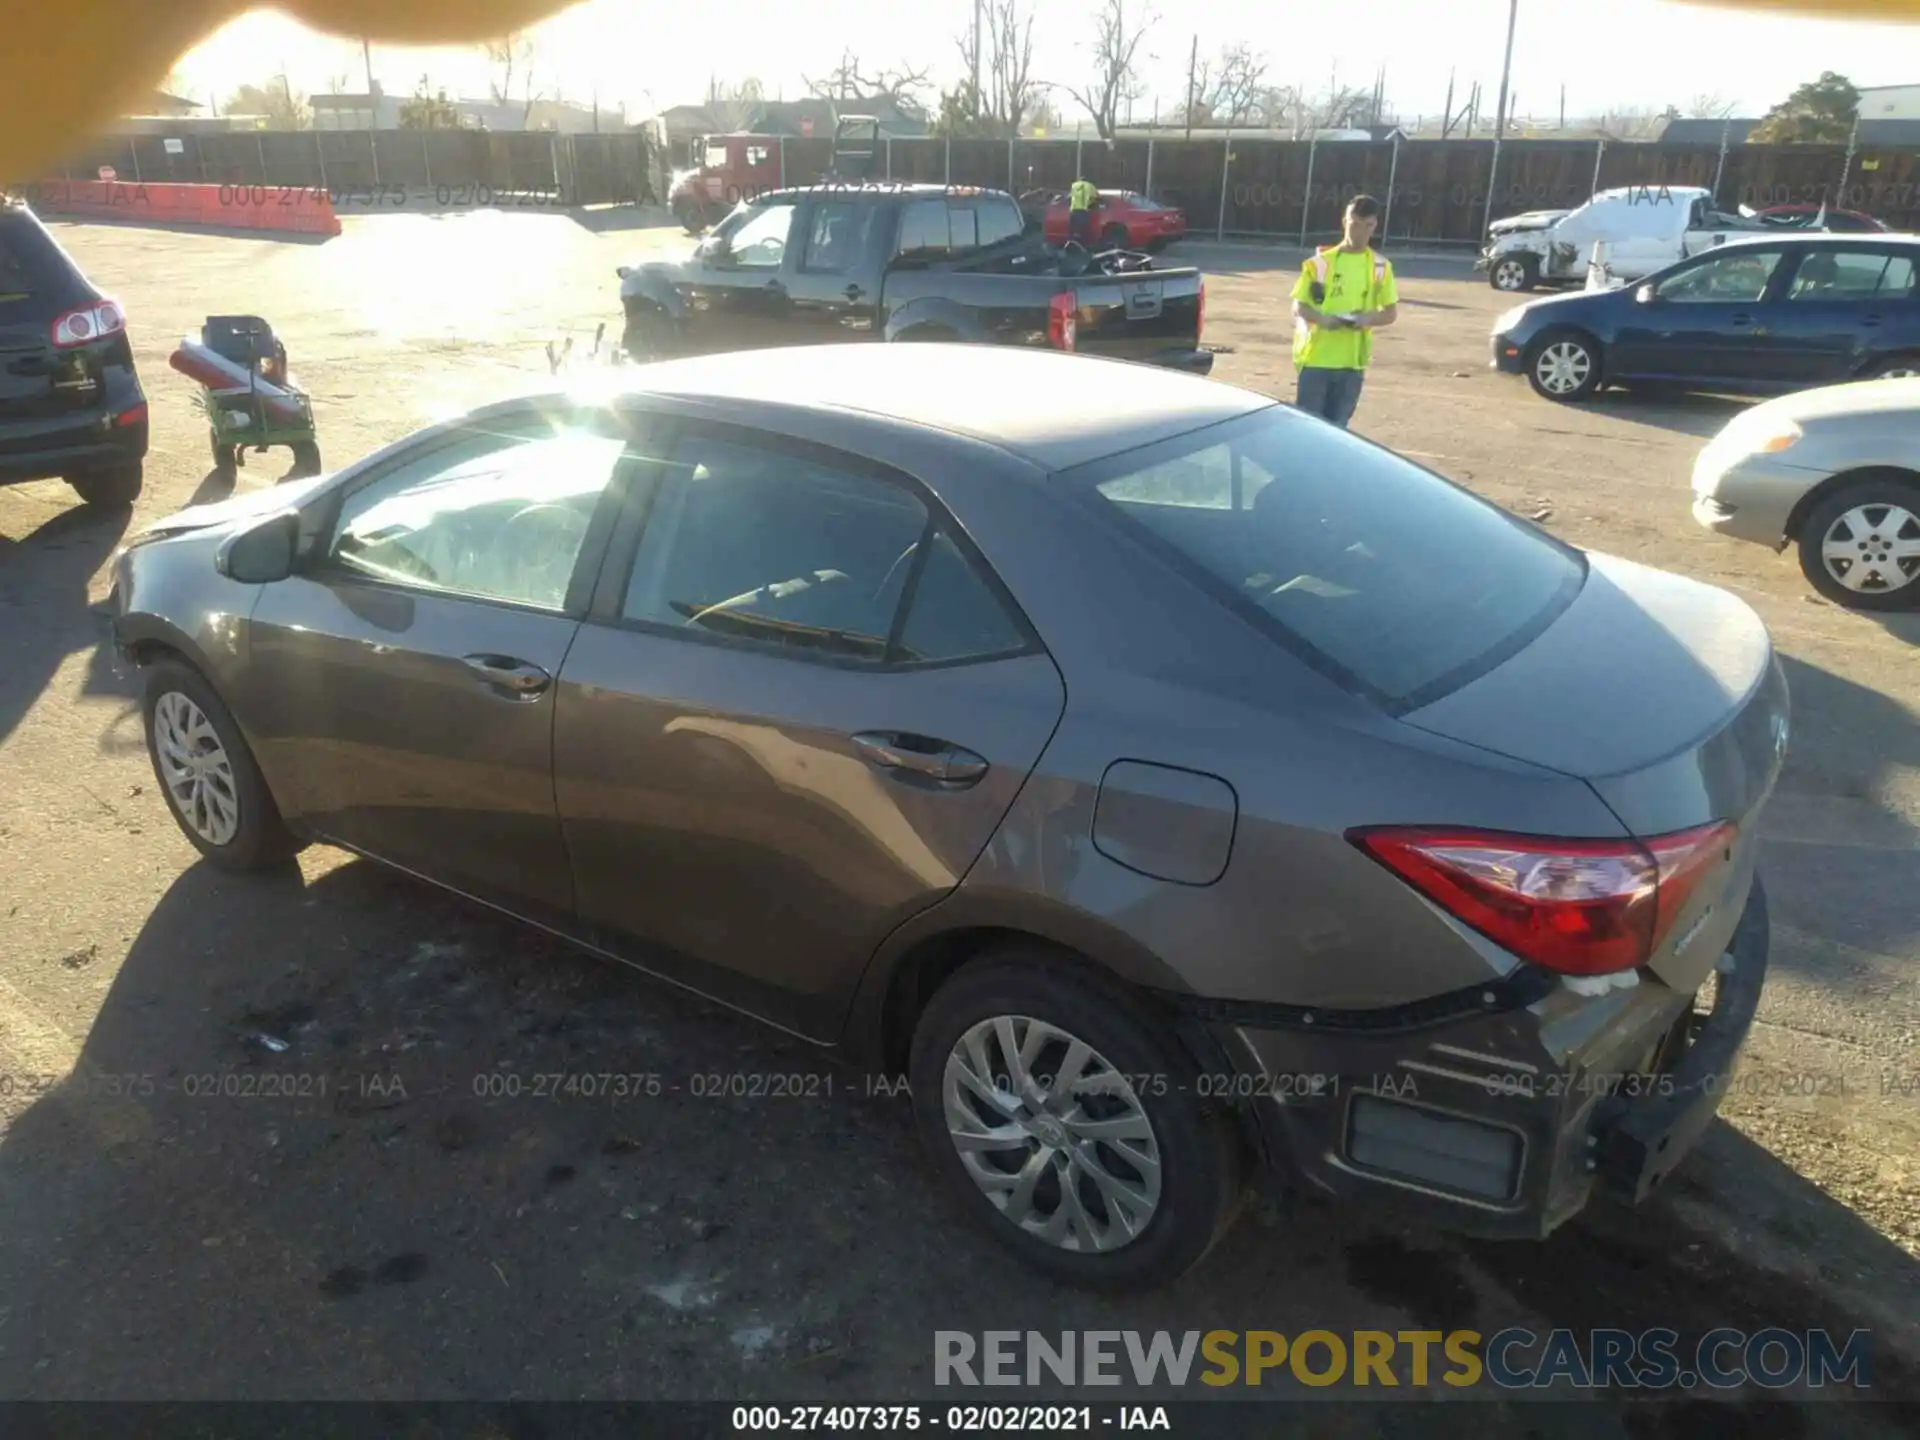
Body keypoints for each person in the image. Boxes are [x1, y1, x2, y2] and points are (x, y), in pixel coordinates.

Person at [1289, 194, 1399, 429]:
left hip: (1352, 363)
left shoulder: (1380, 267)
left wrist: (1367, 318)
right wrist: (1323, 319)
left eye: (1367, 226)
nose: (1360, 232)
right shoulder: (1319, 263)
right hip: (1316, 359)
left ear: (1375, 225)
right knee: (1308, 430)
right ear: (1345, 221)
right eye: (1355, 224)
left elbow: (1390, 313)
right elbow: (1300, 305)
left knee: (1337, 431)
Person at [1067, 176, 1098, 246]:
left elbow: (1070, 196)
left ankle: (1070, 244)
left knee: (1072, 228)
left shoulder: (1074, 185)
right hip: (1083, 210)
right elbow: (1095, 197)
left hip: (1073, 209)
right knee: (1082, 229)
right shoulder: (1090, 186)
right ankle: (1081, 245)